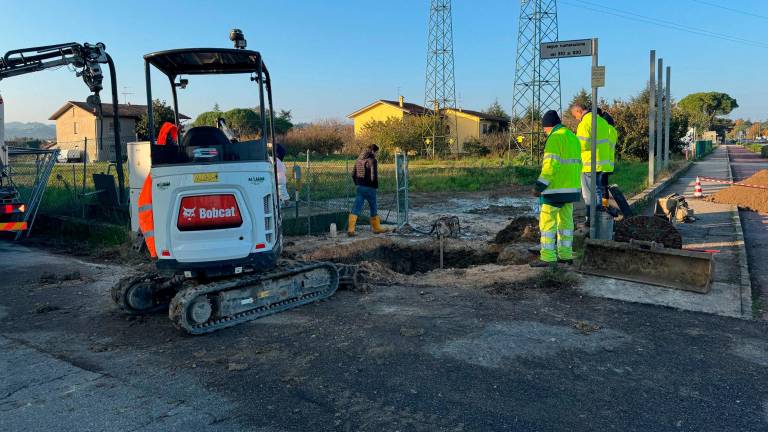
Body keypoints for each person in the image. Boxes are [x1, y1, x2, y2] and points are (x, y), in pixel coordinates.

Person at [530, 110, 582, 267]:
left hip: (555, 191)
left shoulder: (555, 137)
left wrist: (539, 185)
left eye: (544, 129)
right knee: (566, 223)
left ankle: (547, 257)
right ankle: (565, 256)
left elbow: (550, 165)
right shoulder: (572, 137)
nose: (545, 132)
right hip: (571, 189)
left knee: (547, 223)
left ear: (548, 126)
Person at [570, 101, 613, 225]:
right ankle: (599, 219)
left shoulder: (585, 123)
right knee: (597, 191)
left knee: (588, 195)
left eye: (575, 115)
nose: (576, 118)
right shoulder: (602, 121)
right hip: (601, 163)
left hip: (589, 163)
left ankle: (591, 221)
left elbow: (582, 145)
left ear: (579, 111)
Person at [348, 144, 387, 236]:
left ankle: (351, 229)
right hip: (370, 188)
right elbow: (373, 175)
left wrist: (357, 184)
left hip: (360, 188)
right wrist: (374, 185)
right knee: (373, 207)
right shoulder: (373, 161)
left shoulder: (358, 160)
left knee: (356, 207)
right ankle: (376, 228)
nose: (376, 154)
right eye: (376, 152)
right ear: (373, 151)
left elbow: (353, 174)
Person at [600, 111, 618, 200]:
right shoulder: (613, 130)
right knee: (604, 187)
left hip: (602, 162)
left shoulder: (606, 129)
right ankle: (605, 206)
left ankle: (603, 208)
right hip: (608, 163)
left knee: (601, 188)